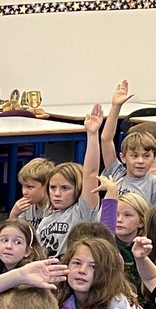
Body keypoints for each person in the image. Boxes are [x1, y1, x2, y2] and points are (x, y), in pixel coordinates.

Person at [36, 105, 104, 256]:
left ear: (78, 189)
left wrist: (92, 134)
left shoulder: (82, 211)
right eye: (53, 188)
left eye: (65, 188)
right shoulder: (45, 221)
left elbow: (91, 174)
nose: (57, 193)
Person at [101, 80, 156, 207]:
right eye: (134, 155)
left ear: (155, 157)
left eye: (146, 156)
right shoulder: (117, 173)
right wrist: (116, 107)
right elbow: (106, 139)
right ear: (123, 157)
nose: (140, 161)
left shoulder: (155, 183)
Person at [8, 157, 54, 229]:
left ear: (47, 186)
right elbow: (14, 233)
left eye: (30, 187)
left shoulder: (55, 208)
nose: (24, 192)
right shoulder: (26, 206)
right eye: (23, 186)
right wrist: (13, 215)